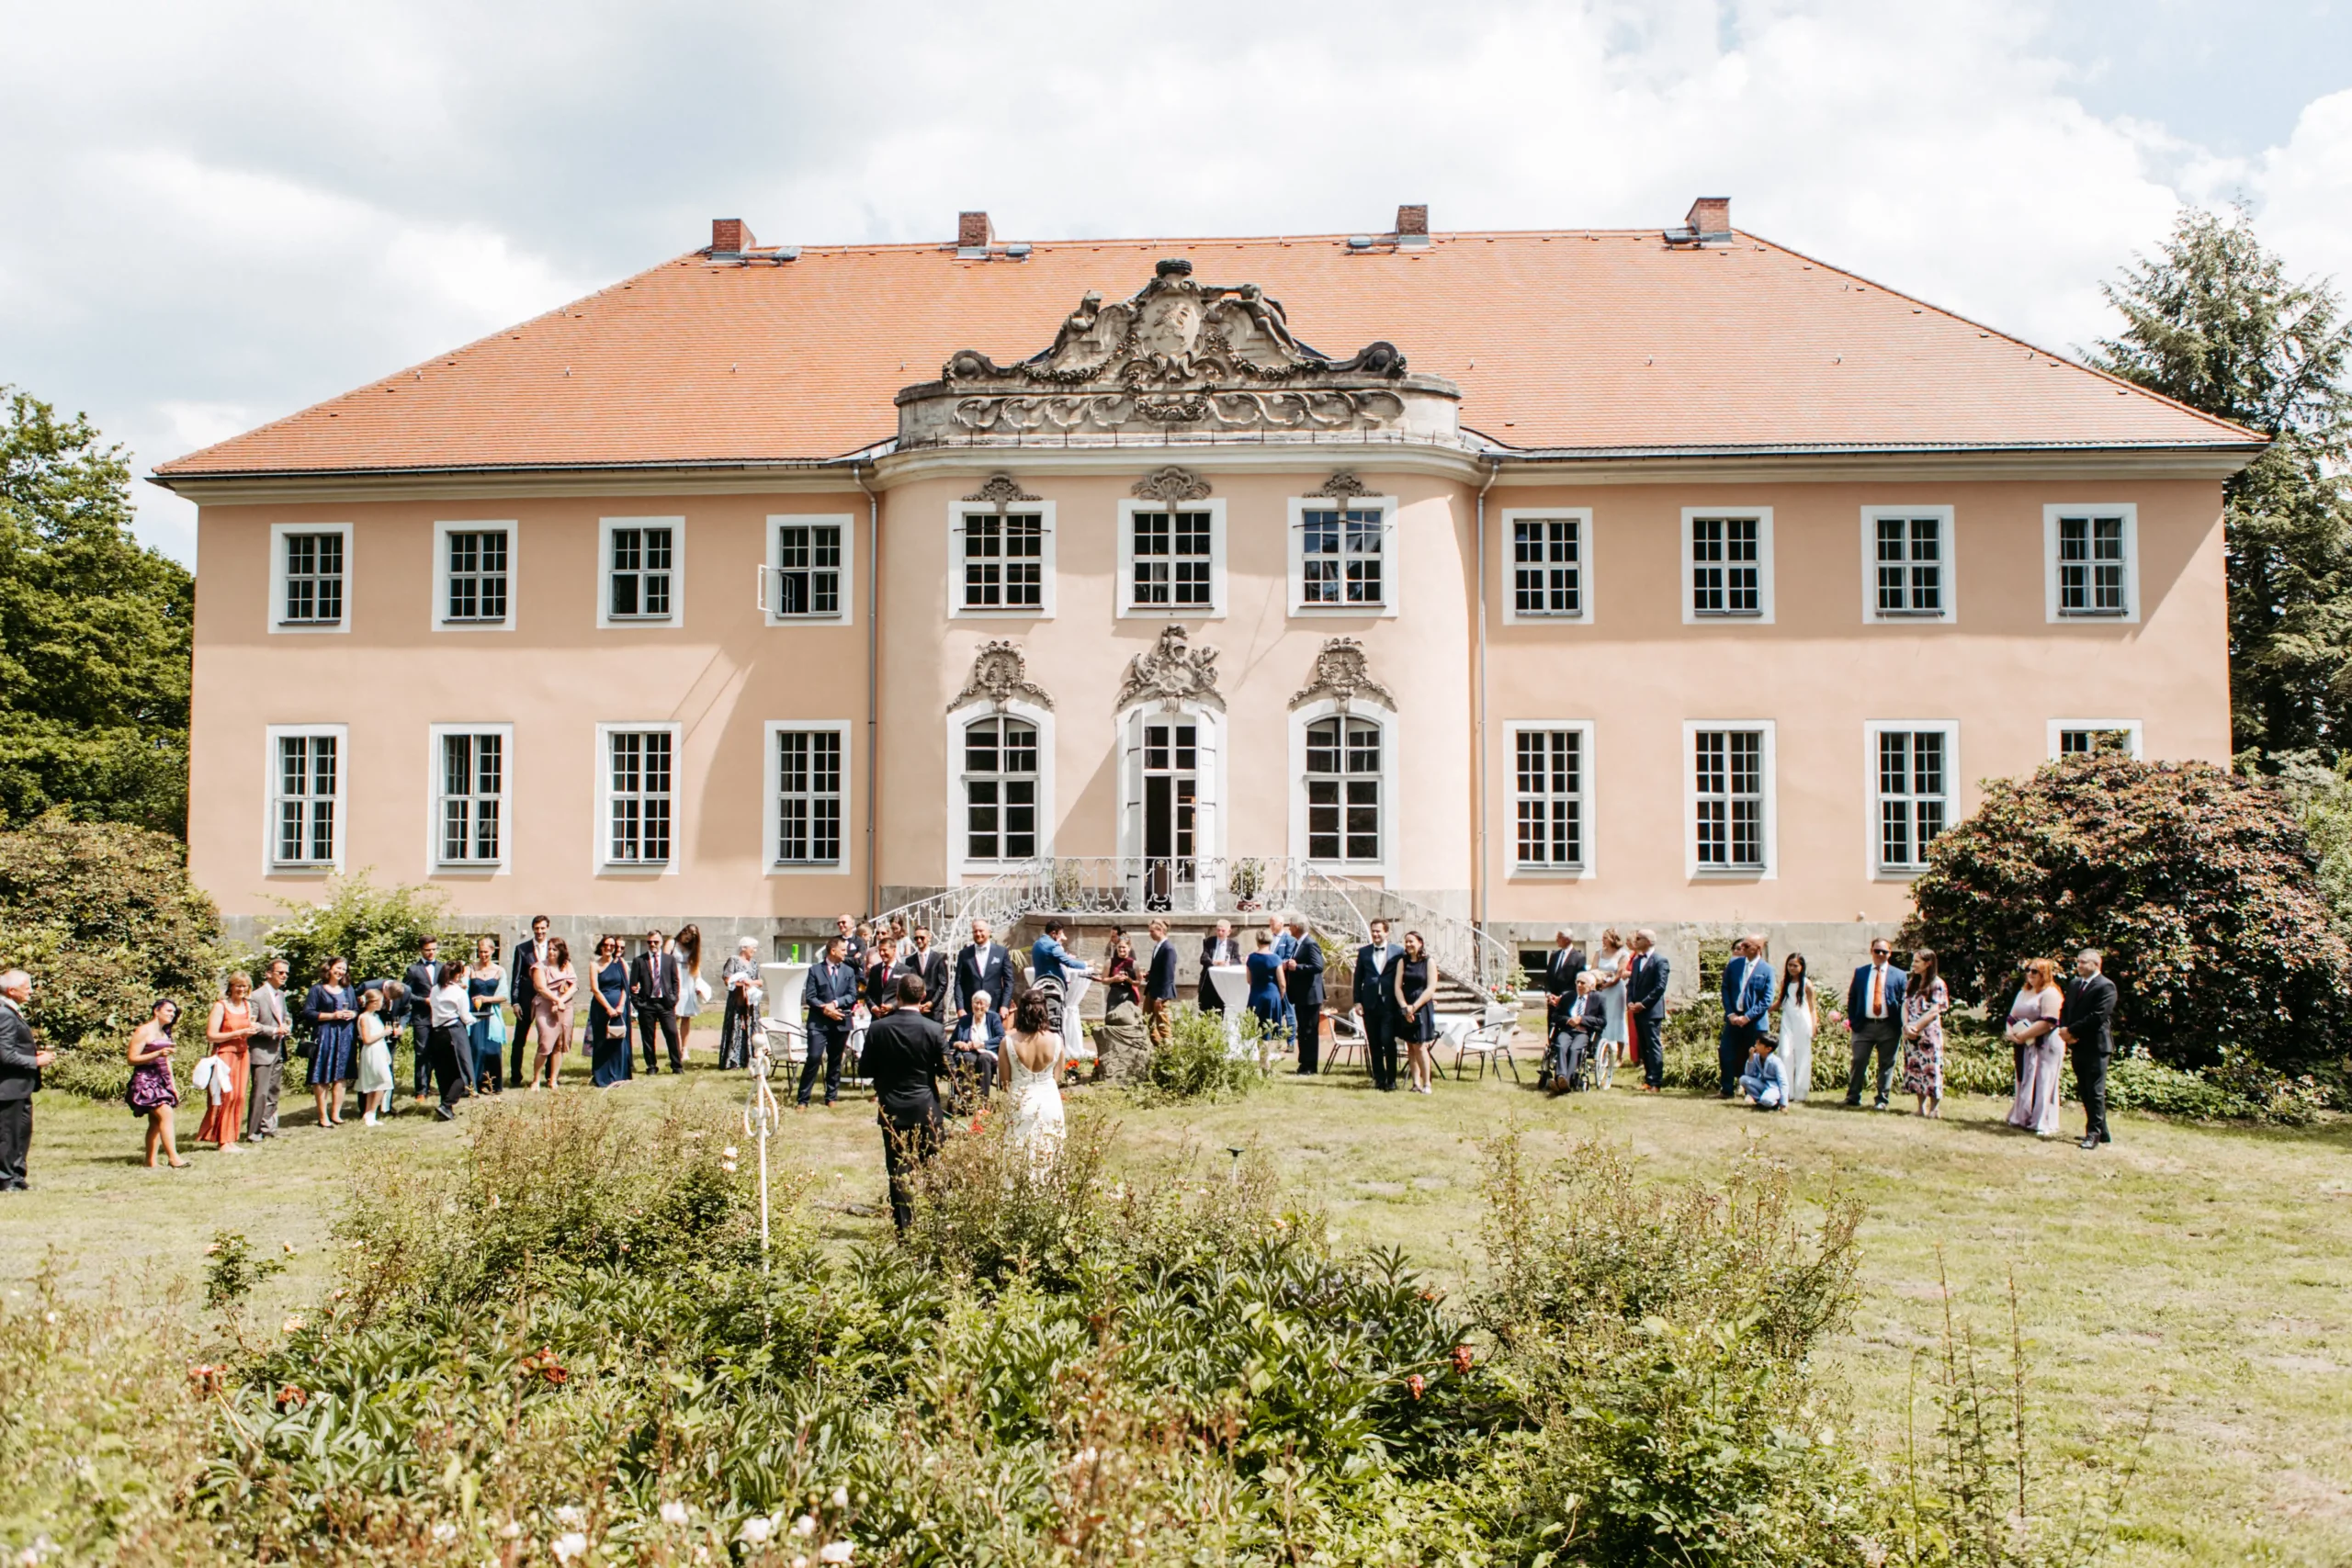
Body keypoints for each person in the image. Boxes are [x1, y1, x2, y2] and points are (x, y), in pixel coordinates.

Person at [863, 973, 950, 1233]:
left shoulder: (878, 1028)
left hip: (892, 1106)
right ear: (923, 997)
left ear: (897, 996)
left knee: (898, 1169)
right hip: (926, 1107)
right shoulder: (933, 1029)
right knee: (934, 1167)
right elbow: (949, 1070)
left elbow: (864, 1068)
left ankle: (904, 1229)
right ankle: (939, 1224)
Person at [998, 986, 1068, 1166]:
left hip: (1021, 1102)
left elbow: (1005, 1083)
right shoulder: (1056, 1040)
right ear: (1044, 1010)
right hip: (1050, 1103)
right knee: (1051, 1155)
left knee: (1018, 1158)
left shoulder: (1008, 1042)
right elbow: (1056, 1076)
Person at [2057, 948, 2118, 1150]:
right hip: (2077, 1043)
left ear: (2095, 964)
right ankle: (2102, 1131)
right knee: (2084, 1089)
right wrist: (2063, 1029)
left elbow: (2098, 1016)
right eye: (2078, 962)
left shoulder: (2106, 986)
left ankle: (2093, 1134)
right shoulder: (2075, 984)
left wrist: (2072, 1031)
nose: (2079, 966)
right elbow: (2065, 1009)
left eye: (2083, 962)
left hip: (2096, 1045)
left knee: (2095, 1091)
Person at [0, 969, 53, 1190]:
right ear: (12, 991)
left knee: (22, 1132)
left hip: (21, 1086)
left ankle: (17, 1176)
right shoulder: (3, 1013)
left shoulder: (12, 1010)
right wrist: (35, 1062)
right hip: (8, 1086)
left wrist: (32, 1056)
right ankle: (4, 1179)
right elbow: (4, 1054)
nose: (31, 991)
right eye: (27, 987)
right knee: (7, 1135)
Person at [2005, 958, 2067, 1138]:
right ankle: (2022, 1116)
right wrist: (2011, 1033)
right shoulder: (2024, 992)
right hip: (2024, 1044)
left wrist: (2024, 1035)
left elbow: (2049, 1022)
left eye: (2034, 972)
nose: (2030, 975)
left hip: (2045, 1043)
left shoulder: (2050, 993)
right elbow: (2012, 1016)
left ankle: (2042, 1120)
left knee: (2043, 1079)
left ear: (2044, 974)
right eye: (2028, 970)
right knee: (2024, 1077)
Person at [1844, 938, 1907, 1110]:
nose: (1880, 954)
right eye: (1877, 951)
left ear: (1890, 953)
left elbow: (1904, 1001)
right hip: (1863, 1026)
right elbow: (1852, 997)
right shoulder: (1861, 972)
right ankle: (1853, 1096)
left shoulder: (1899, 975)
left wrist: (1901, 1024)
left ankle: (1882, 1100)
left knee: (1886, 1064)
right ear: (1871, 951)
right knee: (1858, 1060)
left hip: (1889, 1026)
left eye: (1884, 952)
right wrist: (1853, 1020)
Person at [199, 972, 256, 1151]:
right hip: (224, 1054)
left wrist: (252, 1031)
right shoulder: (221, 1006)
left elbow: (250, 1027)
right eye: (238, 985)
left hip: (243, 1054)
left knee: (239, 1096)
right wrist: (237, 1033)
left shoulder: (248, 1006)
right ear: (231, 987)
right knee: (226, 1095)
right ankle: (222, 1140)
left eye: (245, 985)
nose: (242, 989)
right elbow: (211, 1035)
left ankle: (231, 1138)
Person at [127, 998, 187, 1168]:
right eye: (168, 1011)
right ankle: (174, 1158)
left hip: (161, 1079)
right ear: (156, 1011)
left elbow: (166, 1060)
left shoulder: (164, 1032)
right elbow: (131, 1059)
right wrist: (157, 1054)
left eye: (174, 1012)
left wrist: (172, 1085)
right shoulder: (143, 1031)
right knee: (166, 1114)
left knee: (155, 1122)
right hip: (145, 1080)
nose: (172, 1014)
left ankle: (150, 1161)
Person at [800, 933, 857, 1107]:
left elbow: (852, 995)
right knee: (814, 1057)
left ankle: (831, 1097)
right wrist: (825, 1008)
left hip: (840, 1022)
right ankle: (803, 1099)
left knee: (835, 1060)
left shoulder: (848, 971)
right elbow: (810, 997)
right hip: (818, 1023)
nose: (845, 953)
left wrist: (835, 1003)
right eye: (842, 950)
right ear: (833, 950)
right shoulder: (815, 970)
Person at [304, 957, 358, 1128]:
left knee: (341, 1074)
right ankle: (323, 1116)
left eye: (344, 969)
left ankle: (336, 1113)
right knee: (322, 1075)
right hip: (326, 1034)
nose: (341, 972)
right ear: (329, 968)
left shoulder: (348, 989)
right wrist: (332, 1016)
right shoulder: (317, 989)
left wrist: (353, 1014)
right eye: (338, 968)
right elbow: (309, 1013)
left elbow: (356, 1009)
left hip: (345, 1034)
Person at [1717, 933, 1772, 1099]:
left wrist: (1747, 1017)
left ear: (1758, 948)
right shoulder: (1734, 965)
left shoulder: (1767, 970)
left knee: (1753, 1056)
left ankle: (1751, 1091)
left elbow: (1766, 999)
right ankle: (1726, 1089)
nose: (1743, 948)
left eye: (1747, 946)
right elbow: (1725, 989)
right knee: (1726, 1051)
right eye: (1742, 946)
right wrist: (1731, 1014)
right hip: (1734, 1019)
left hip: (1754, 1022)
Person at [1352, 919, 1402, 1090]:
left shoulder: (1398, 952)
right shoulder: (1364, 952)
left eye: (1378, 931)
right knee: (1373, 1042)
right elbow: (1358, 978)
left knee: (1388, 1041)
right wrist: (1357, 1001)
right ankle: (1379, 1079)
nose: (1375, 934)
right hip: (1370, 1003)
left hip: (1389, 1003)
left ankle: (1392, 1079)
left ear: (1386, 932)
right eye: (1373, 931)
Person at [1901, 948, 1951, 1117]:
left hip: (1929, 1035)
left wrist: (1917, 1028)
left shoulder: (1937, 984)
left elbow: (1934, 1011)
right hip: (1912, 1035)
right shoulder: (1912, 984)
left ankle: (1934, 1108)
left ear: (1928, 963)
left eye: (1917, 961)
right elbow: (1905, 1005)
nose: (1912, 965)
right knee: (1916, 1070)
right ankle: (1920, 1107)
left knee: (1931, 1070)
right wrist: (1907, 1026)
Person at [246, 958, 291, 1140]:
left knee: (274, 1091)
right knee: (260, 1093)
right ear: (268, 973)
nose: (284, 976)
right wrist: (273, 1030)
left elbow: (286, 1016)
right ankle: (254, 1132)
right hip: (262, 1050)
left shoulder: (280, 995)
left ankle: (269, 1128)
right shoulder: (256, 996)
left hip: (279, 1048)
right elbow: (252, 1024)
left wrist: (288, 1025)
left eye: (286, 973)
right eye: (280, 972)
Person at [629, 928, 684, 1075]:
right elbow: (632, 984)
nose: (652, 944)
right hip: (647, 1004)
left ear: (661, 942)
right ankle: (651, 1066)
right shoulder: (639, 961)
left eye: (655, 942)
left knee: (672, 1033)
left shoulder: (669, 959)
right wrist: (637, 1003)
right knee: (648, 1036)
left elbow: (675, 981)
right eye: (649, 942)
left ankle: (677, 1066)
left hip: (665, 1003)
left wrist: (673, 998)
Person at [1392, 930, 1438, 1094]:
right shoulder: (1402, 962)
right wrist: (1405, 1006)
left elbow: (1431, 988)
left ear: (1420, 943)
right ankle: (1415, 1083)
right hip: (1405, 1006)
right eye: (1406, 942)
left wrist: (1414, 1007)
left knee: (1420, 1046)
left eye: (1412, 941)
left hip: (1422, 1006)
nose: (1409, 944)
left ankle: (1427, 1084)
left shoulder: (1428, 962)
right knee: (1410, 1046)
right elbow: (1397, 986)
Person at [508, 916, 552, 1089]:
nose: (540, 932)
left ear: (548, 928)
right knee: (519, 1039)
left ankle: (549, 1076)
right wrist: (515, 1002)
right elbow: (516, 977)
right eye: (537, 928)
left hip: (547, 1000)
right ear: (533, 929)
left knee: (548, 1038)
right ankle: (515, 1076)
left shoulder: (554, 947)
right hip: (526, 1000)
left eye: (542, 928)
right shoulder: (522, 949)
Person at [1623, 930, 1669, 1091]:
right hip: (1636, 1010)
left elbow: (1660, 987)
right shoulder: (1636, 961)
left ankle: (1656, 1082)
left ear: (1649, 941)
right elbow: (1632, 984)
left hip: (1651, 1011)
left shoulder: (1660, 961)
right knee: (1643, 1046)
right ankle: (1648, 1080)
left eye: (1639, 938)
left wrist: (1643, 1004)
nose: (1635, 941)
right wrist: (1630, 1002)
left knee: (1653, 1045)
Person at [526, 938, 574, 1089]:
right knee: (545, 1044)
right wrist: (556, 1000)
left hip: (564, 1007)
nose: (551, 952)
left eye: (554, 949)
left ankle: (553, 1079)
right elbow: (541, 988)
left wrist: (562, 1000)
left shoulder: (567, 966)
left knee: (559, 1044)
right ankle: (536, 1080)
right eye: (549, 949)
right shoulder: (539, 967)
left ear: (561, 951)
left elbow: (574, 986)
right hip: (545, 1006)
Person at [427, 959, 471, 1120]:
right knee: (463, 1071)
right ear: (458, 974)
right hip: (454, 1031)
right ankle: (446, 1104)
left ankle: (446, 1104)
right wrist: (475, 1020)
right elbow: (465, 1017)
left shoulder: (435, 990)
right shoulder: (459, 992)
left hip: (437, 1032)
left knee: (444, 1071)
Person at [461, 937, 506, 1093]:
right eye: (480, 951)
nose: (483, 955)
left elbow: (504, 995)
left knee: (492, 1050)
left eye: (486, 951)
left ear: (492, 951)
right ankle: (474, 1084)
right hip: (474, 1014)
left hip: (491, 1014)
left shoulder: (499, 971)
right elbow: (464, 986)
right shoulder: (471, 968)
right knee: (476, 1048)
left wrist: (487, 999)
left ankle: (492, 1083)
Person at [1283, 913, 1327, 1075]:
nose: (1289, 928)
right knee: (1303, 1031)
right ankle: (1303, 1063)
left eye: (1290, 925)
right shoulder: (1298, 943)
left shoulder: (1310, 943)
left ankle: (1310, 1066)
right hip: (1301, 995)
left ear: (1296, 927)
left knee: (1309, 1031)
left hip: (1310, 995)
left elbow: (1317, 966)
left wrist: (1298, 967)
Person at [948, 988, 1004, 1108]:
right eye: (976, 1003)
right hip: (969, 1053)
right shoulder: (964, 1020)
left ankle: (984, 1100)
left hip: (988, 1053)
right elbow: (951, 1042)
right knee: (968, 1058)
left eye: (981, 1003)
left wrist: (982, 1044)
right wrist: (958, 1044)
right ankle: (968, 1100)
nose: (978, 1006)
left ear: (988, 1006)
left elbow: (1001, 1038)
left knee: (984, 1058)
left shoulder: (993, 1018)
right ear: (972, 1004)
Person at [1549, 971, 1604, 1093]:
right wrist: (1568, 1020)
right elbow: (1556, 1016)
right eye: (1577, 982)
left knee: (1575, 1049)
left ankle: (1565, 1081)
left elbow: (1602, 1021)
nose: (1579, 985)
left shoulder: (1598, 999)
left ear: (1591, 986)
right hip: (1567, 1030)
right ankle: (1560, 1077)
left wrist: (1582, 1019)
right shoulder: (1568, 997)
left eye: (1582, 983)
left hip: (1584, 1033)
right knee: (1561, 1045)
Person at [589, 936, 633, 1087]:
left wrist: (620, 1006)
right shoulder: (594, 965)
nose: (609, 948)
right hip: (601, 1009)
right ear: (601, 946)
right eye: (606, 945)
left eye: (612, 946)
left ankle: (619, 1076)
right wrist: (608, 1007)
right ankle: (601, 1076)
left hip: (620, 1008)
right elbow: (595, 989)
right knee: (602, 1040)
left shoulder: (620, 963)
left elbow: (625, 987)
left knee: (618, 1040)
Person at [403, 936, 443, 1104]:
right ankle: (421, 1090)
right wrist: (424, 1000)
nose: (431, 952)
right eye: (428, 949)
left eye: (434, 949)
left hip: (441, 1017)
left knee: (438, 1054)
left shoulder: (442, 967)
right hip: (422, 1018)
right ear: (421, 950)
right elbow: (406, 993)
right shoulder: (413, 970)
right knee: (422, 1054)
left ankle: (437, 1085)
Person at [1772, 953, 1815, 1105]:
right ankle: (1787, 1091)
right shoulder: (1785, 982)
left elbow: (1812, 1007)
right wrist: (1763, 1010)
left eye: (1795, 965)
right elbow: (1779, 1003)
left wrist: (1814, 1026)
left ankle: (1800, 1093)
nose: (1792, 968)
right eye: (1790, 965)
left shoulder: (1807, 984)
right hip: (1787, 1021)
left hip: (1803, 1022)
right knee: (1785, 1054)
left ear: (1802, 967)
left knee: (1802, 1057)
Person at [953, 919, 1015, 1018]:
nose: (978, 934)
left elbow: (1009, 981)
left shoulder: (1001, 952)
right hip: (971, 1008)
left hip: (995, 1007)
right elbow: (958, 983)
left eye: (981, 931)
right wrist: (960, 1008)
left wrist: (1004, 1005)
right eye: (975, 931)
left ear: (989, 932)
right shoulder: (964, 954)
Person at [718, 937, 763, 1070]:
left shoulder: (754, 963)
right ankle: (733, 1061)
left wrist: (750, 983)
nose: (754, 950)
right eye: (752, 947)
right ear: (744, 948)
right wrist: (741, 984)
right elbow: (727, 979)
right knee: (735, 1028)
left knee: (751, 1027)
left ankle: (750, 1058)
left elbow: (760, 981)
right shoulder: (733, 960)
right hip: (737, 1000)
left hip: (752, 1001)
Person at [1590, 928, 1630, 1068]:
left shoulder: (1623, 954)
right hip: (1600, 989)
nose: (1603, 940)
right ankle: (1601, 1052)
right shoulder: (1599, 953)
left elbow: (1618, 974)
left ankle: (1619, 1056)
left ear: (1613, 939)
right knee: (1601, 1018)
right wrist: (1599, 981)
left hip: (1615, 990)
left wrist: (1607, 983)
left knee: (1617, 1019)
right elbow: (1593, 969)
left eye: (1605, 937)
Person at [354, 987, 393, 1125]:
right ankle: (371, 1112)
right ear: (373, 1002)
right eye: (380, 1001)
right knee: (383, 1081)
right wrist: (385, 1033)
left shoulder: (375, 1016)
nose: (382, 1004)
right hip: (372, 1051)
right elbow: (367, 1039)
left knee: (376, 1083)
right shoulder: (364, 1018)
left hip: (380, 1050)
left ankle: (370, 1114)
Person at [1541, 931, 1584, 1051]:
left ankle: (1564, 1051)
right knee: (1552, 1023)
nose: (1556, 940)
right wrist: (1549, 994)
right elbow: (1548, 977)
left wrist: (1562, 997)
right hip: (1552, 999)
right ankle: (1552, 1050)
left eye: (1559, 937)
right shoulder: (1554, 955)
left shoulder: (1579, 958)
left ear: (1567, 940)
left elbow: (1578, 981)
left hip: (1568, 999)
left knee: (1565, 1025)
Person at [1140, 918, 1179, 1049]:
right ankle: (1159, 1048)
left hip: (1161, 994)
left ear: (1160, 930)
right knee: (1147, 1021)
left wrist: (1161, 997)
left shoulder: (1168, 949)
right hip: (1152, 989)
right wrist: (1148, 975)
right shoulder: (1158, 946)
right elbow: (1158, 969)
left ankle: (1169, 1052)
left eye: (1152, 931)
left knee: (1163, 1024)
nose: (1150, 934)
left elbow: (1168, 975)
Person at [673, 924, 707, 1060]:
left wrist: (698, 984)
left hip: (688, 981)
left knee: (686, 1016)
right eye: (687, 935)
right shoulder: (672, 943)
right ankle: (674, 1046)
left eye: (692, 937)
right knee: (672, 1016)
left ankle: (684, 1048)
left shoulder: (693, 948)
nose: (688, 938)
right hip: (674, 979)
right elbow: (664, 961)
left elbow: (696, 967)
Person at [1245, 931, 1285, 1045]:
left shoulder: (1251, 958)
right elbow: (1282, 982)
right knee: (1269, 1028)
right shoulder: (1276, 958)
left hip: (1256, 995)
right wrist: (1281, 994)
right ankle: (1265, 1058)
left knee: (1256, 1028)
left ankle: (1260, 1056)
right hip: (1272, 995)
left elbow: (1249, 980)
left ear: (1257, 941)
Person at [908, 926, 952, 1025]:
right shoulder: (910, 960)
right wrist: (917, 1004)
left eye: (922, 938)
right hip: (916, 1008)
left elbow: (943, 984)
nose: (919, 940)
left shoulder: (939, 958)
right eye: (916, 938)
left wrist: (932, 1003)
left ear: (929, 938)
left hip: (935, 1008)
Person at [1737, 1032, 1789, 1111]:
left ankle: (1775, 1103)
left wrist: (1783, 1103)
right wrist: (1751, 1058)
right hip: (1763, 1084)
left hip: (1773, 1088)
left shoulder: (1776, 1062)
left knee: (1766, 1100)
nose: (1755, 1046)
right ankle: (1760, 1101)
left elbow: (1783, 1082)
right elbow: (1749, 1074)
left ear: (1768, 1049)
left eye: (1759, 1044)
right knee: (1743, 1079)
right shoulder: (1756, 1057)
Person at [1198, 919, 1238, 1012]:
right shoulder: (1209, 942)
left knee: (1221, 1009)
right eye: (1218, 930)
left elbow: (1237, 959)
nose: (1220, 933)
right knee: (1206, 1009)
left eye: (1223, 931)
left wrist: (1228, 963)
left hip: (1224, 981)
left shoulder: (1233, 944)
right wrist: (1214, 962)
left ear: (1229, 932)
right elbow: (1203, 958)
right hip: (1209, 980)